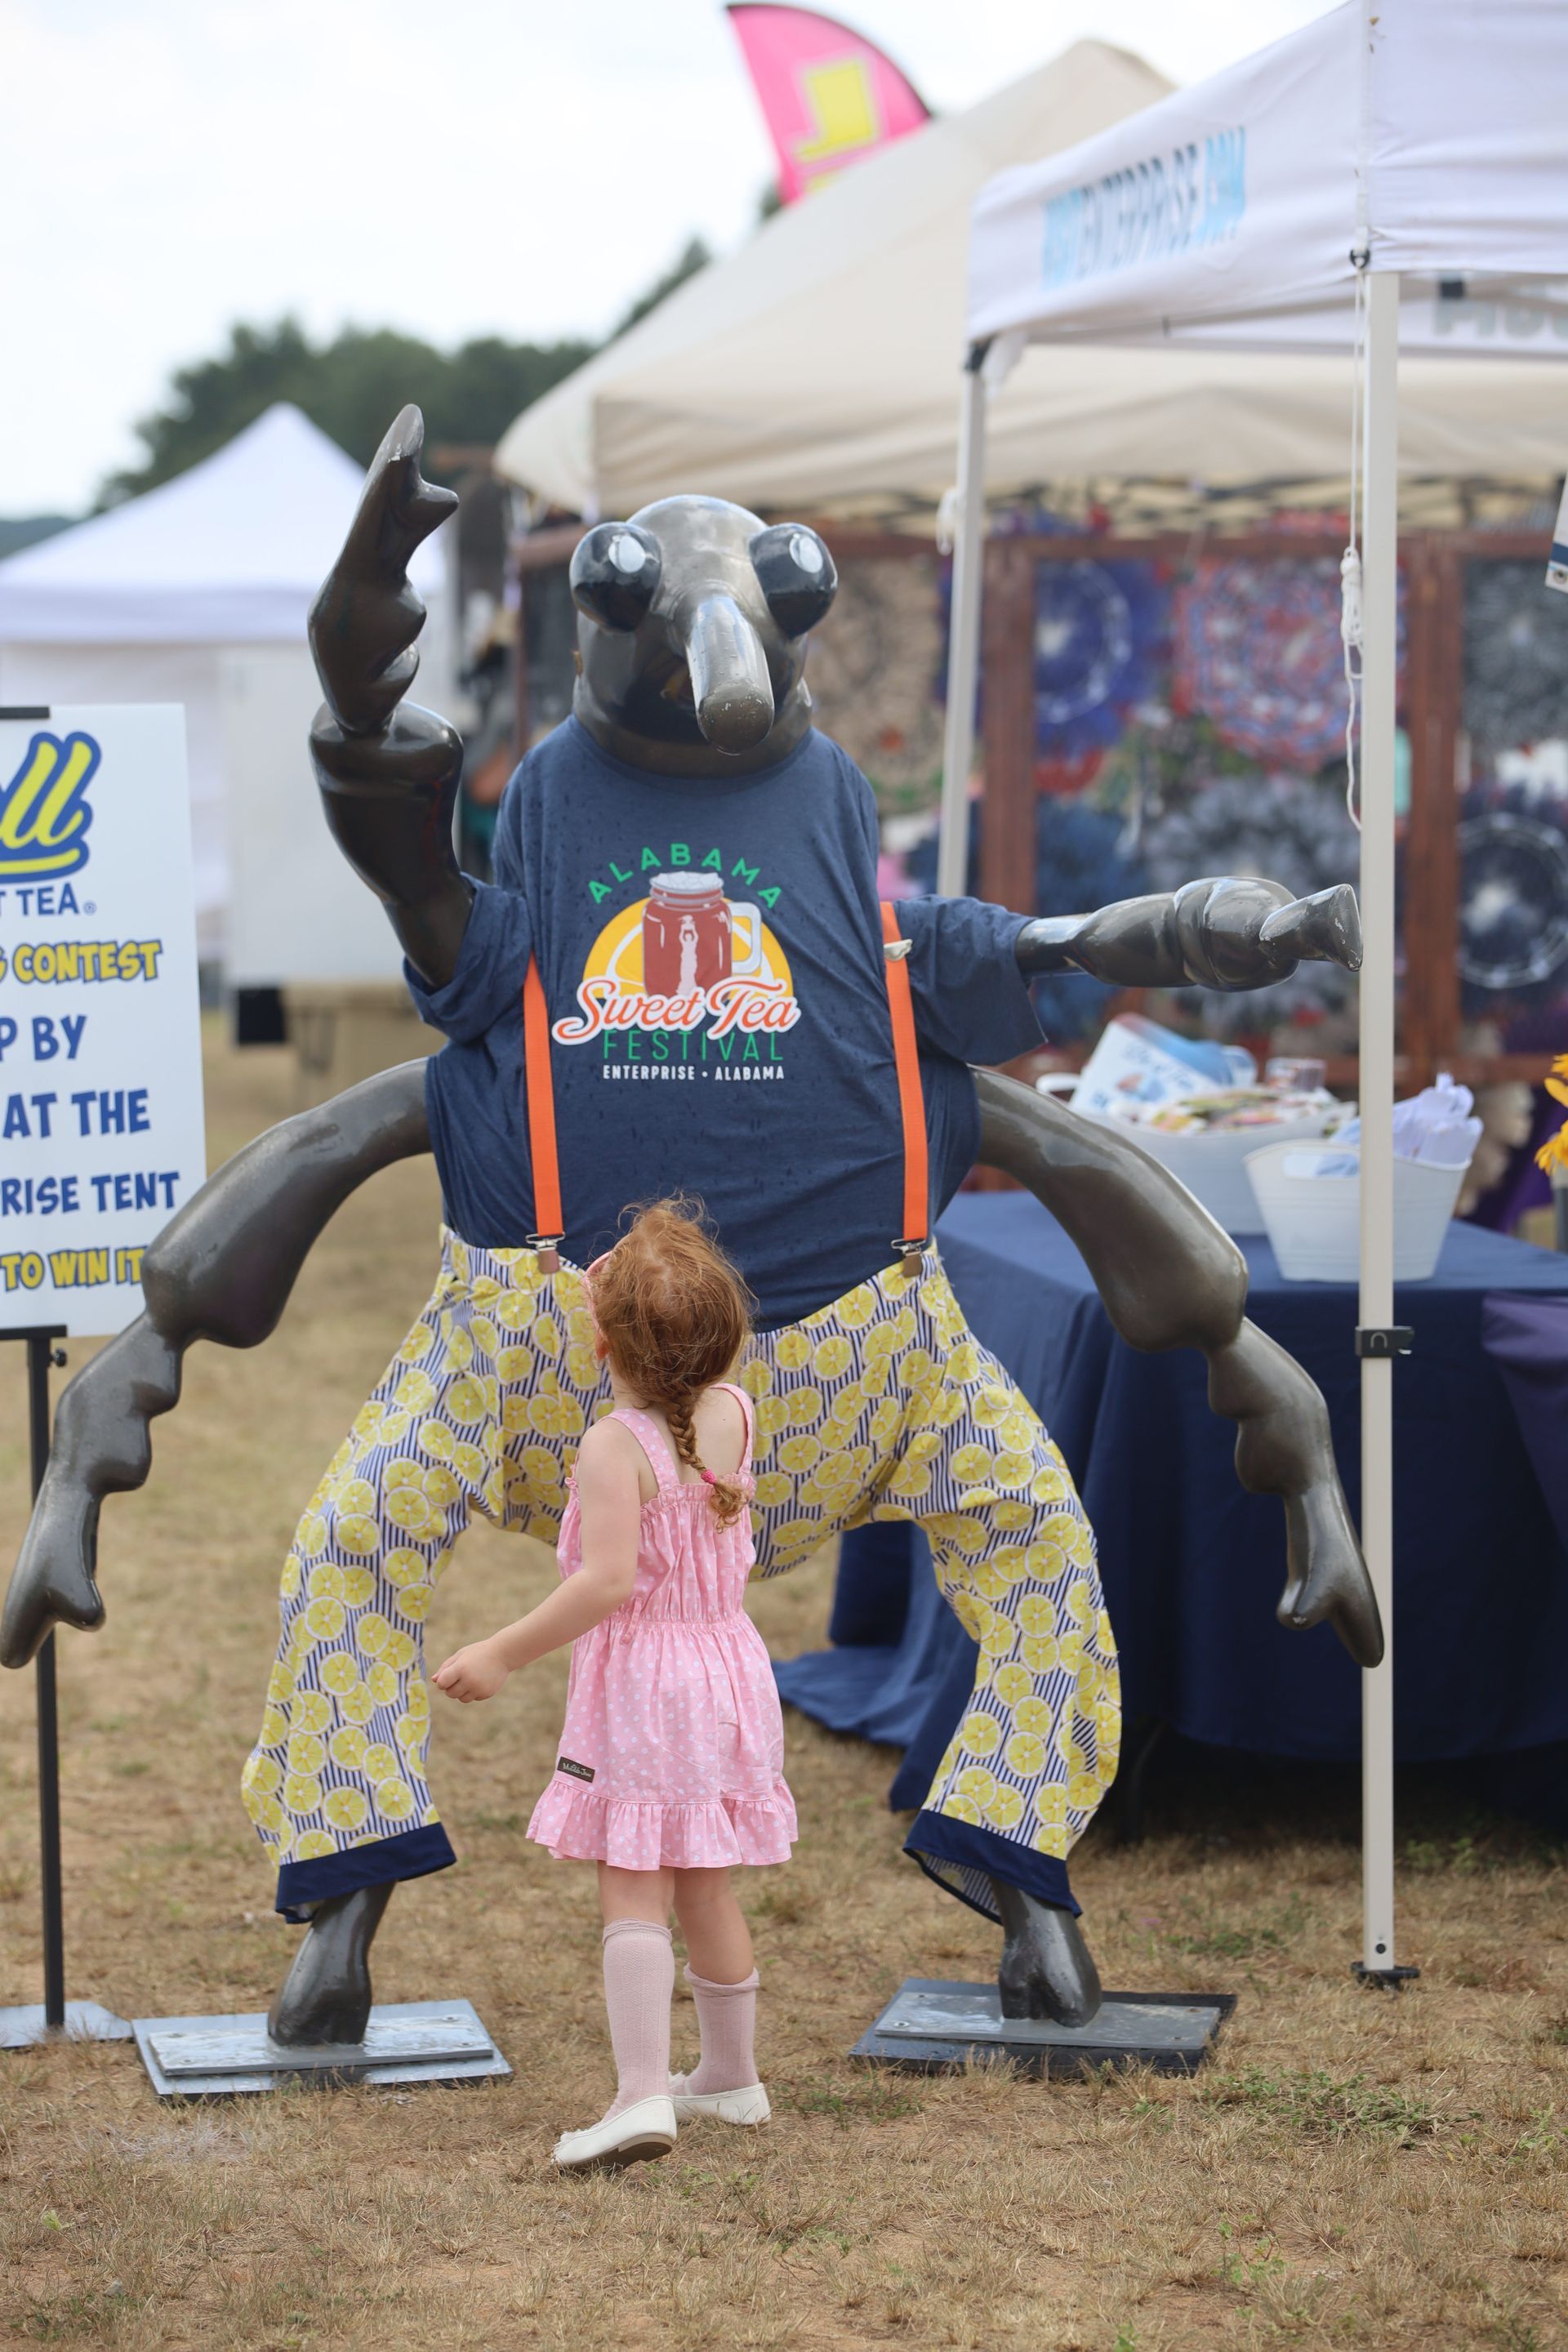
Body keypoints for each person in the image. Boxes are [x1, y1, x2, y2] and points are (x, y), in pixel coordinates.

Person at [432, 1200, 794, 2170]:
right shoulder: (738, 1413)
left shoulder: (612, 1448)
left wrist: (502, 1652)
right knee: (705, 1882)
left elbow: (606, 1582)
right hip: (726, 1673)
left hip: (648, 1688)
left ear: (601, 1344)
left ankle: (641, 2097)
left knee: (632, 1886)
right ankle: (730, 2077)